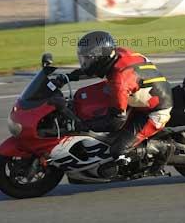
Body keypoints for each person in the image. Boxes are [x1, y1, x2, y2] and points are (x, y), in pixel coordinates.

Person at [67, 30, 174, 166]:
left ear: (100, 57)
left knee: (118, 150)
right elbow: (95, 69)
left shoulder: (119, 81)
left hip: (156, 110)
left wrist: (84, 126)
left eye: (88, 59)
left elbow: (116, 121)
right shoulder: (117, 53)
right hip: (141, 95)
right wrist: (70, 76)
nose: (84, 62)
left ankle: (163, 149)